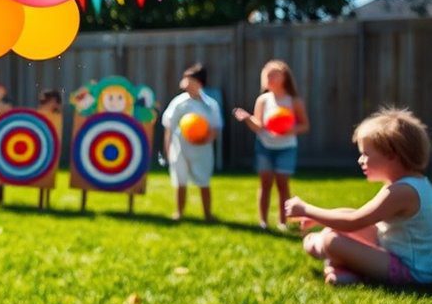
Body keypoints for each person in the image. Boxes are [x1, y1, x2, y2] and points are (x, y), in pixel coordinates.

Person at [287, 107, 432, 286]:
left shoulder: (402, 192)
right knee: (340, 224)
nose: (360, 160)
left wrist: (306, 210)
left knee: (331, 240)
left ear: (391, 155)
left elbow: (353, 221)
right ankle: (346, 270)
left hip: (411, 272)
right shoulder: (414, 184)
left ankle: (324, 249)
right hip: (391, 248)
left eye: (365, 154)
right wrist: (321, 221)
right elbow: (354, 216)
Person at [233, 60, 310, 230]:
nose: (270, 78)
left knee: (282, 184)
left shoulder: (294, 101)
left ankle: (283, 222)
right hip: (264, 147)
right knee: (265, 184)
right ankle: (263, 222)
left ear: (284, 77)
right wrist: (247, 118)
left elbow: (305, 125)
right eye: (267, 75)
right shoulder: (263, 100)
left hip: (286, 148)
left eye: (274, 74)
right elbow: (259, 126)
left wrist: (289, 130)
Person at [161, 63, 223, 221]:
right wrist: (168, 149)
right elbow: (169, 127)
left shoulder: (210, 105)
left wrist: (206, 139)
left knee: (203, 180)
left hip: (202, 150)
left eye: (190, 81)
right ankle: (179, 212)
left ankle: (207, 214)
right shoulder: (178, 103)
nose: (186, 84)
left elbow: (216, 127)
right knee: (180, 181)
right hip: (180, 148)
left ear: (199, 83)